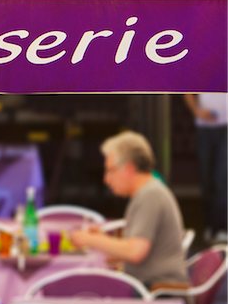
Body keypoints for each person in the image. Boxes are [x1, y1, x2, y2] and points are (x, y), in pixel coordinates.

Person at [71, 131, 188, 289]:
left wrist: (90, 240)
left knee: (82, 290)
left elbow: (135, 252)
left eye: (110, 170)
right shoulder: (148, 192)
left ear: (128, 169)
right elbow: (134, 249)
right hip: (148, 285)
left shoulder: (150, 195)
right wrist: (102, 240)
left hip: (157, 290)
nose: (106, 179)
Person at [184, 93, 227, 243]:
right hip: (204, 127)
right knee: (206, 179)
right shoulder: (201, 68)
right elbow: (188, 90)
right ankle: (210, 226)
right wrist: (197, 111)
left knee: (222, 178)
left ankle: (221, 228)